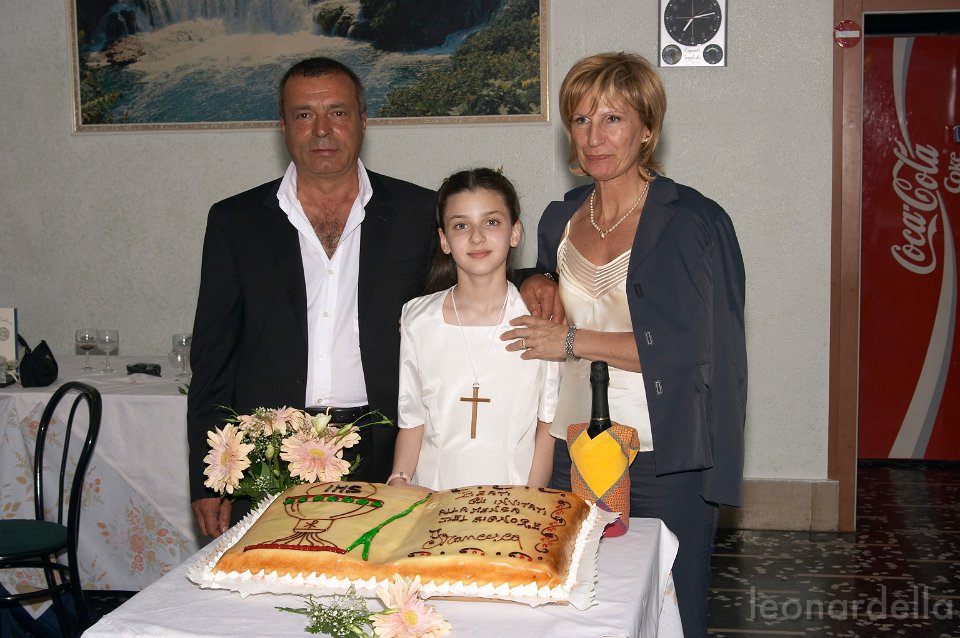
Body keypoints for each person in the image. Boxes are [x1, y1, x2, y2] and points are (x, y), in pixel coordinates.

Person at [187, 57, 557, 539]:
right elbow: (213, 359)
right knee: (272, 581)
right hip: (270, 450)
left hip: (381, 448)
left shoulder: (414, 211)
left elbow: (475, 259)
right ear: (283, 126)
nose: (322, 129)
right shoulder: (235, 222)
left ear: (363, 120)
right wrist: (208, 472)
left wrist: (537, 277)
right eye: (304, 114)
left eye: (338, 112)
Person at [501, 52, 747, 638]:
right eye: (581, 119)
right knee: (567, 608)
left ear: (647, 129)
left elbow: (696, 349)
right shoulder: (560, 218)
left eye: (612, 118)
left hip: (663, 458)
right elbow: (550, 282)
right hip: (568, 452)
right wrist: (534, 278)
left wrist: (570, 340)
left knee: (672, 613)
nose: (595, 137)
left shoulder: (693, 222)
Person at [387, 169, 559, 491]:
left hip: (514, 498)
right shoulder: (418, 319)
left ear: (515, 232)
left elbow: (546, 427)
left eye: (491, 222)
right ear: (444, 240)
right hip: (432, 497)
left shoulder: (539, 321)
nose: (477, 237)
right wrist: (399, 480)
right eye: (461, 225)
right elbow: (413, 422)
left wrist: (529, 499)